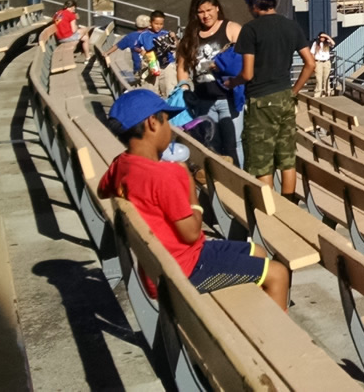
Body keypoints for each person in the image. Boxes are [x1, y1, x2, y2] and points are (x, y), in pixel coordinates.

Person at [98, 89, 289, 310]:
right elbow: (191, 233)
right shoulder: (165, 175)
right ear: (152, 123)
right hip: (184, 271)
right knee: (278, 274)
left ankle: (257, 320)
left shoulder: (121, 164)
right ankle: (276, 342)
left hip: (166, 263)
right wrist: (189, 186)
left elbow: (104, 189)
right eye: (167, 122)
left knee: (257, 252)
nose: (170, 129)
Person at [231, 0, 315, 194]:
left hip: (260, 101)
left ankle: (271, 214)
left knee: (262, 162)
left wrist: (231, 82)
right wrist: (294, 91)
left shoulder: (250, 30)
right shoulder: (291, 25)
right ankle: (289, 204)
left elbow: (247, 74)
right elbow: (310, 63)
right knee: (287, 158)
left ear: (253, 4)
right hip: (285, 96)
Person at [175, 0, 244, 164]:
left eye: (209, 10)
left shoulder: (232, 29)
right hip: (203, 100)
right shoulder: (191, 35)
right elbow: (182, 66)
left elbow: (246, 60)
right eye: (201, 12)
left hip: (229, 99)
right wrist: (184, 87)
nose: (206, 15)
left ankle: (239, 183)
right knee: (211, 145)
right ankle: (217, 188)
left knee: (233, 144)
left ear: (217, 8)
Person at [309, 32, 334, 98]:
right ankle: (318, 93)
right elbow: (312, 53)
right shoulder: (315, 43)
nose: (322, 38)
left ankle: (327, 92)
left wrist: (327, 36)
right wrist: (313, 63)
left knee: (326, 78)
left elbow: (333, 43)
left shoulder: (327, 43)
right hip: (318, 62)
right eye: (321, 37)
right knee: (318, 78)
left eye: (324, 37)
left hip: (326, 62)